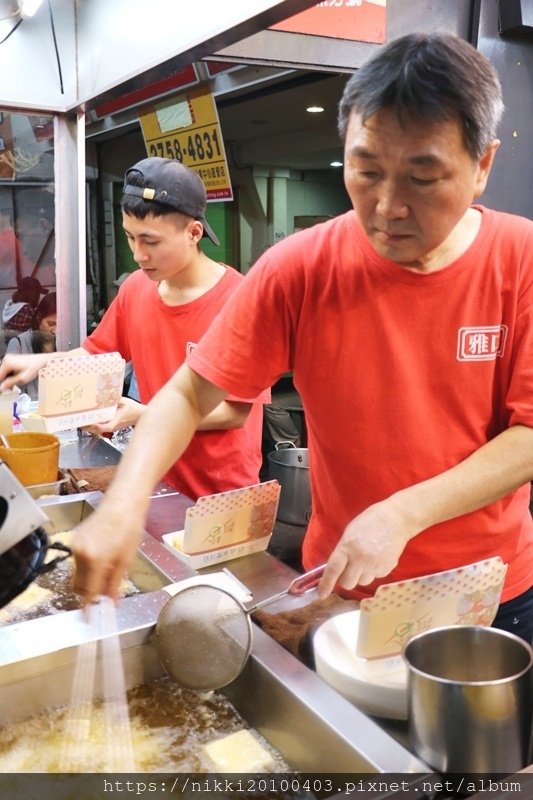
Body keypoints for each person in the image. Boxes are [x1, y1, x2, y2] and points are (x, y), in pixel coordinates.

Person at [11, 35, 533, 641]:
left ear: (483, 166)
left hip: (486, 590)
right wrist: (127, 501)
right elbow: (187, 395)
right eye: (365, 171)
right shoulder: (300, 268)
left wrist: (404, 512)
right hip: (340, 585)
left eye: (423, 177)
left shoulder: (519, 261)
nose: (388, 206)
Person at [0, 158, 268, 500]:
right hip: (157, 477)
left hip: (221, 493)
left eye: (151, 241)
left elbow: (235, 412)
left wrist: (144, 413)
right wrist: (43, 363)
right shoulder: (136, 289)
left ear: (194, 232)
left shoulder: (240, 301)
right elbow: (97, 352)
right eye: (130, 238)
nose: (139, 255)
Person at [5, 291, 56, 399]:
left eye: (61, 324)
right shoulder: (18, 343)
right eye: (51, 324)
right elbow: (6, 388)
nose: (55, 331)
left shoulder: (68, 343)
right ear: (38, 318)